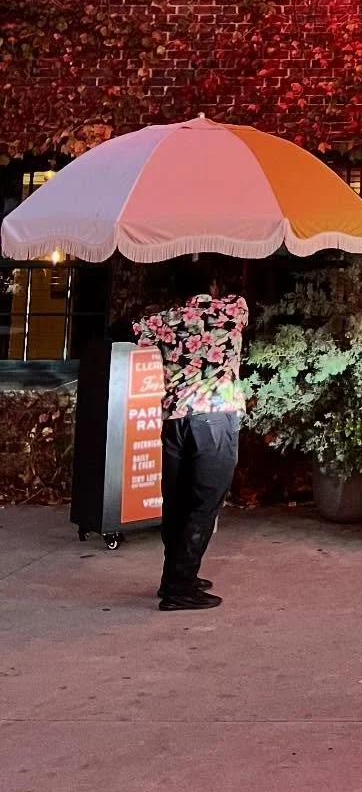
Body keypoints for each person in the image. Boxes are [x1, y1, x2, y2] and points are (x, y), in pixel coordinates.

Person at [134, 257, 248, 612]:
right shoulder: (233, 311)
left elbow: (135, 327)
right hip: (215, 416)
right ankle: (179, 587)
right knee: (204, 504)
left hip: (175, 419)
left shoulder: (159, 320)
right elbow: (238, 304)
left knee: (178, 502)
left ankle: (177, 575)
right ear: (212, 286)